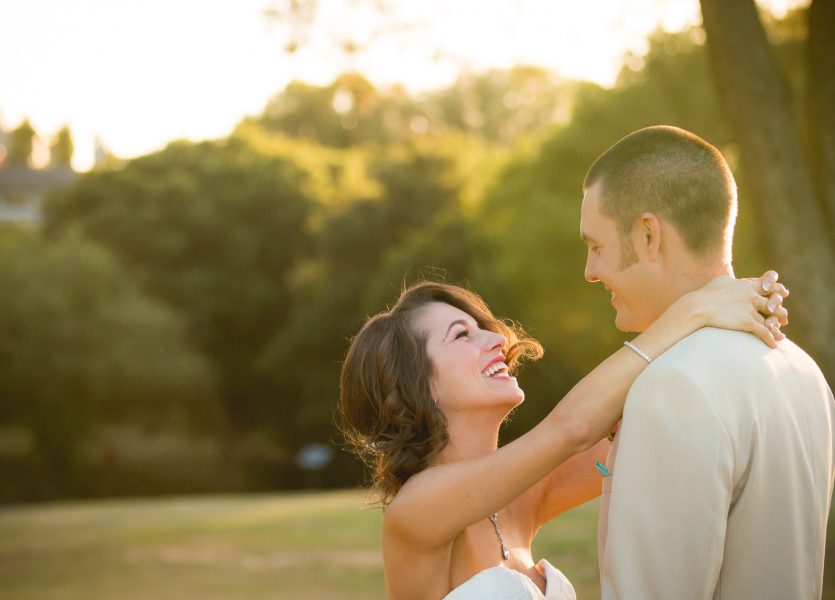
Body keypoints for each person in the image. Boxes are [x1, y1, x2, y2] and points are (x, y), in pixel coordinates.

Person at [339, 271, 788, 598]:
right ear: (415, 387)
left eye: (483, 328)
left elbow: (643, 422)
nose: (496, 339)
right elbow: (574, 427)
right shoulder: (416, 511)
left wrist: (737, 312)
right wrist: (696, 309)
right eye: (462, 336)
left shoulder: (523, 498)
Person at [581, 125, 835, 599]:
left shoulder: (674, 384)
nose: (590, 272)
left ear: (649, 235)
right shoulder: (802, 369)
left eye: (596, 246)